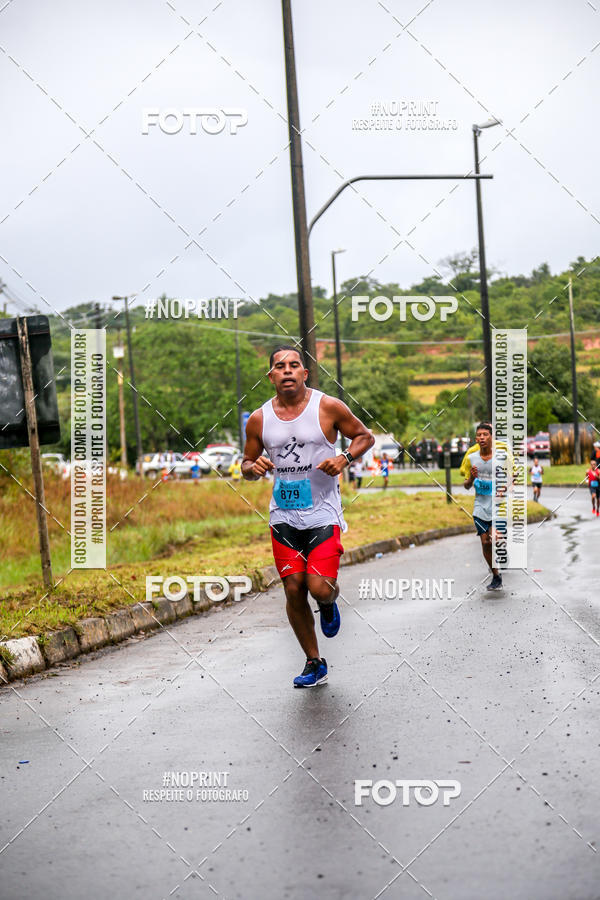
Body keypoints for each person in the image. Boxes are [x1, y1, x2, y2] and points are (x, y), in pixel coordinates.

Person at [242, 346, 374, 688]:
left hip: (322, 514)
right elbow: (246, 464)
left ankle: (328, 602)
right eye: (279, 366)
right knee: (293, 588)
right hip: (283, 517)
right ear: (270, 376)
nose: (287, 370)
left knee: (318, 587)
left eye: (294, 365)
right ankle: (314, 662)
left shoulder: (327, 406)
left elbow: (365, 436)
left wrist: (344, 457)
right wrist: (253, 467)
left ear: (305, 373)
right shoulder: (259, 419)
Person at [460, 422, 508, 591]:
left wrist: (504, 489)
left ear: (491, 437)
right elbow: (466, 485)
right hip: (480, 506)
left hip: (498, 505)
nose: (481, 438)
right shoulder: (472, 458)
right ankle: (496, 575)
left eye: (485, 435)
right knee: (485, 542)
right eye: (479, 435)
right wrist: (471, 478)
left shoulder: (501, 456)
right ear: (476, 439)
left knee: (495, 537)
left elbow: (512, 476)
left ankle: (503, 546)